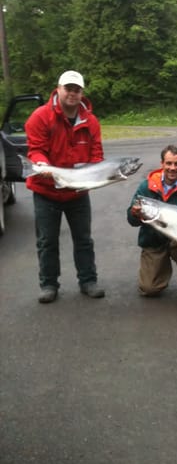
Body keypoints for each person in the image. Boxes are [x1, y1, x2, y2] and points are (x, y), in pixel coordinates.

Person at [25, 70, 105, 304]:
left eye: (77, 89)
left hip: (78, 192)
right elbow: (36, 149)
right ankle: (49, 284)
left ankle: (88, 281)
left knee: (84, 239)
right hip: (46, 191)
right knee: (47, 241)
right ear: (58, 89)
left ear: (82, 92)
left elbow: (96, 155)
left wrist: (97, 174)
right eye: (68, 88)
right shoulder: (40, 117)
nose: (72, 93)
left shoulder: (91, 121)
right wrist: (41, 164)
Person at [127, 145, 177, 303]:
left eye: (176, 164)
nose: (172, 168)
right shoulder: (146, 186)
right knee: (149, 289)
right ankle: (159, 267)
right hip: (153, 240)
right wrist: (134, 213)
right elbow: (131, 221)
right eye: (168, 163)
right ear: (162, 164)